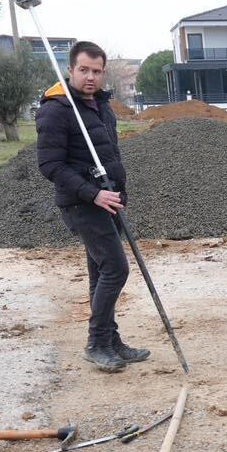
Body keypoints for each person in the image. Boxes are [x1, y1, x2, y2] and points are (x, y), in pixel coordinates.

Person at [36, 41, 149, 373]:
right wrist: (92, 194)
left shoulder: (101, 106)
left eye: (96, 71)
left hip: (108, 201)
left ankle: (111, 341)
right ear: (70, 69)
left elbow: (109, 154)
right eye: (83, 70)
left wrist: (117, 192)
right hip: (81, 205)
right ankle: (96, 344)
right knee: (117, 269)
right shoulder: (56, 110)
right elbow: (50, 166)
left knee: (101, 273)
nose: (90, 77)